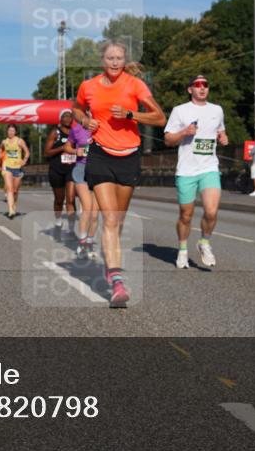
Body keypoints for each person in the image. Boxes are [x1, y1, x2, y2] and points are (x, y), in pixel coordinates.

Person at [73, 41, 166, 307]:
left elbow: (159, 118)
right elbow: (77, 108)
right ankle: (117, 281)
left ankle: (109, 264)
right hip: (100, 155)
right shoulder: (88, 86)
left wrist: (129, 114)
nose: (114, 62)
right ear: (102, 60)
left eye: (119, 58)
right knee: (110, 220)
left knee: (118, 222)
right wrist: (84, 120)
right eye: (110, 58)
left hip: (128, 157)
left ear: (124, 61)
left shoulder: (135, 85)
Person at [163, 75, 229, 269]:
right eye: (198, 85)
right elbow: (168, 139)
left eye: (205, 85)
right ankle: (182, 250)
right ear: (190, 89)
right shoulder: (180, 111)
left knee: (211, 211)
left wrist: (223, 138)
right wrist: (184, 132)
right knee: (186, 215)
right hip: (186, 170)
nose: (202, 88)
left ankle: (204, 243)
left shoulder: (217, 110)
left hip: (209, 167)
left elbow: (221, 131)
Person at [62, 118, 98, 259]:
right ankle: (82, 243)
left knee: (95, 215)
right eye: (86, 113)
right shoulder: (76, 129)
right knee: (87, 208)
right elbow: (66, 147)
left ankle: (88, 243)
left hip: (98, 170)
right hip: (81, 169)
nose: (88, 116)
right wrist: (76, 151)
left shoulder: (101, 128)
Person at [44, 109, 77, 238]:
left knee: (71, 199)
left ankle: (71, 229)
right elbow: (46, 152)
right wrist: (62, 148)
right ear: (60, 119)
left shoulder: (75, 133)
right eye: (65, 116)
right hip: (56, 170)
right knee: (59, 200)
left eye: (70, 116)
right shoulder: (55, 132)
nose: (68, 119)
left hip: (71, 170)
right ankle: (58, 222)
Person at [0, 124, 29, 219]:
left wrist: (24, 160)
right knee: (9, 188)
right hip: (7, 167)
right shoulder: (4, 142)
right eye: (9, 130)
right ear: (7, 131)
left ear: (15, 132)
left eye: (12, 131)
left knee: (15, 191)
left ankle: (14, 205)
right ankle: (10, 210)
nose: (11, 132)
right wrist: (1, 157)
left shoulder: (19, 141)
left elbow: (27, 152)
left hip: (17, 168)